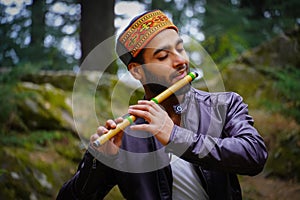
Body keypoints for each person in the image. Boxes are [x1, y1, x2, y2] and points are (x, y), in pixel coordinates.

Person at [57, 9, 268, 200]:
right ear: (136, 71)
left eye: (180, 49)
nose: (181, 61)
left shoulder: (224, 105)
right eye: (163, 56)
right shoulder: (124, 137)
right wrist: (100, 162)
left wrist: (174, 136)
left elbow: (254, 154)